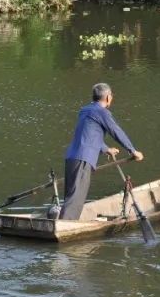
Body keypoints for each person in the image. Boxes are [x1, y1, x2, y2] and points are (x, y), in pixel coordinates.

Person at [59, 83, 144, 220]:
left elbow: (88, 136)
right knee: (76, 197)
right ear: (108, 97)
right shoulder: (101, 112)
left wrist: (106, 149)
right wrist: (132, 150)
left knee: (71, 196)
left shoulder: (85, 110)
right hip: (83, 158)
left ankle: (62, 223)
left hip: (72, 157)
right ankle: (65, 225)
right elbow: (116, 131)